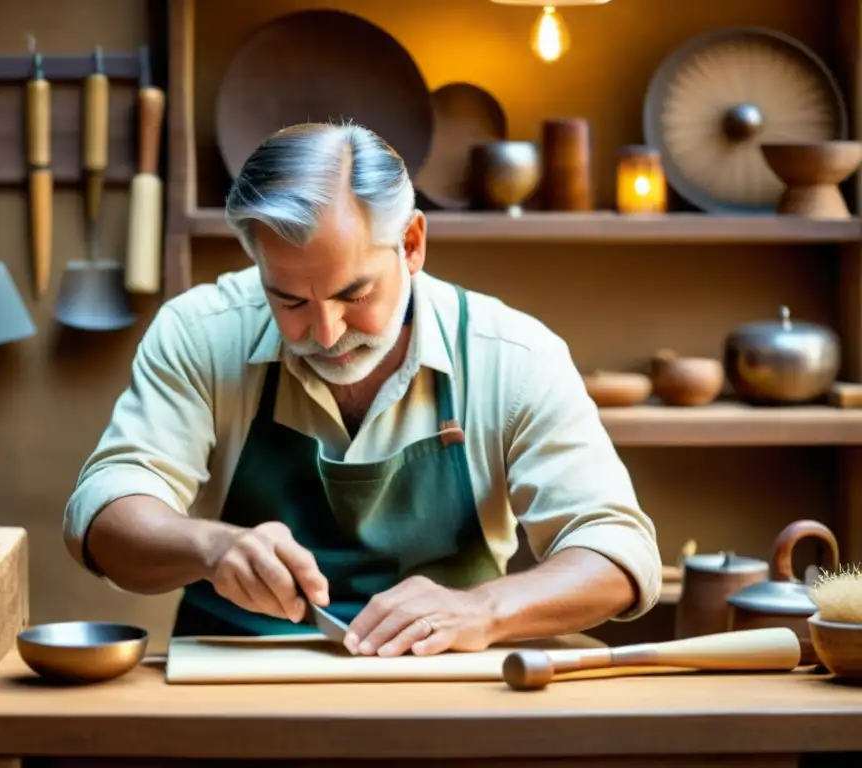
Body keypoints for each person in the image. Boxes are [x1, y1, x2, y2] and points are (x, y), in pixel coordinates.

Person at [63, 122, 662, 658]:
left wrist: (484, 609)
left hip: (447, 689)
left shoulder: (513, 355)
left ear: (412, 244)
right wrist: (210, 547)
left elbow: (618, 551)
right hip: (235, 687)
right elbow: (104, 513)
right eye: (289, 301)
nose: (326, 334)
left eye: (355, 294)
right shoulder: (201, 332)